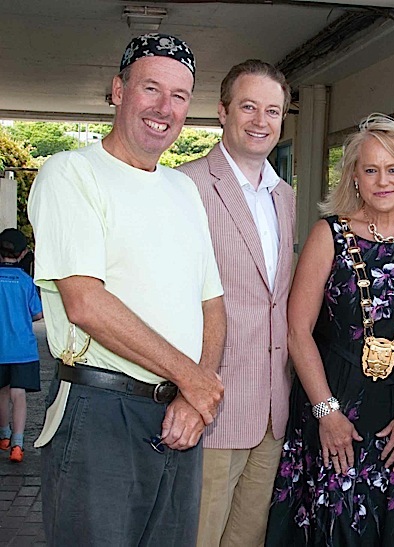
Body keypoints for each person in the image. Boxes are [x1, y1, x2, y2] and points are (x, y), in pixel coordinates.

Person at [28, 33, 226, 545]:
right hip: (99, 413)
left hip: (180, 415)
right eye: (151, 89)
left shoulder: (183, 189)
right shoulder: (70, 174)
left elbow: (213, 305)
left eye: (180, 95)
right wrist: (194, 381)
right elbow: (85, 303)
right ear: (118, 90)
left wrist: (192, 393)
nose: (165, 108)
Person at [267, 113, 394, 546]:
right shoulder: (328, 234)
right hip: (334, 409)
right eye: (370, 170)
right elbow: (298, 330)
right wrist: (325, 412)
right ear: (354, 176)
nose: (382, 181)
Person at [178, 59, 296, 547]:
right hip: (213, 404)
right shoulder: (187, 186)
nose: (260, 121)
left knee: (248, 539)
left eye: (272, 110)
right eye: (248, 106)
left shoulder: (284, 196)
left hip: (272, 407)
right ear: (223, 111)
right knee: (197, 537)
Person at [0, 228, 43, 464]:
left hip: (1, 349)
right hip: (23, 350)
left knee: (2, 393)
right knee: (18, 395)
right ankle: (17, 444)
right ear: (23, 253)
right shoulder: (26, 282)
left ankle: (3, 435)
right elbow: (37, 315)